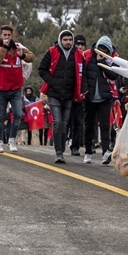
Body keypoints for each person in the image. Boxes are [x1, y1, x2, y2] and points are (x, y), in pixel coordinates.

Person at [38, 29, 84, 163]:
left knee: (64, 125)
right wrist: (52, 82)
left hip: (69, 95)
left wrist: (83, 89)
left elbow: (83, 73)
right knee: (57, 122)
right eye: (65, 40)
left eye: (70, 39)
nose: (68, 42)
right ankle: (58, 152)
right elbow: (42, 69)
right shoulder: (52, 52)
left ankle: (61, 148)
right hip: (54, 94)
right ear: (60, 40)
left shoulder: (78, 54)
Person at [0, 24, 34, 153]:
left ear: (12, 36)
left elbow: (32, 57)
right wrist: (4, 47)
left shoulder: (19, 47)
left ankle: (12, 139)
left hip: (15, 88)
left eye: (9, 35)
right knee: (1, 116)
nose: (7, 37)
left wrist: (22, 56)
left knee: (18, 114)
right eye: (4, 35)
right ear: (1, 35)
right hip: (1, 88)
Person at [82, 35, 120, 164]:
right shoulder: (87, 55)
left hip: (105, 97)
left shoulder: (113, 58)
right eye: (100, 48)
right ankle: (88, 151)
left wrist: (103, 62)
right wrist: (85, 91)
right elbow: (83, 75)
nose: (102, 51)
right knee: (89, 125)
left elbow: (115, 75)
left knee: (105, 125)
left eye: (105, 49)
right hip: (90, 97)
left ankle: (105, 152)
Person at [68, 34, 88, 155]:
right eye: (78, 44)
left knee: (78, 122)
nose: (80, 46)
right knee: (66, 121)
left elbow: (85, 76)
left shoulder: (84, 58)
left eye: (82, 44)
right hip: (68, 94)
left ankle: (75, 146)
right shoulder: (70, 57)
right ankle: (65, 140)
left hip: (80, 96)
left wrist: (84, 90)